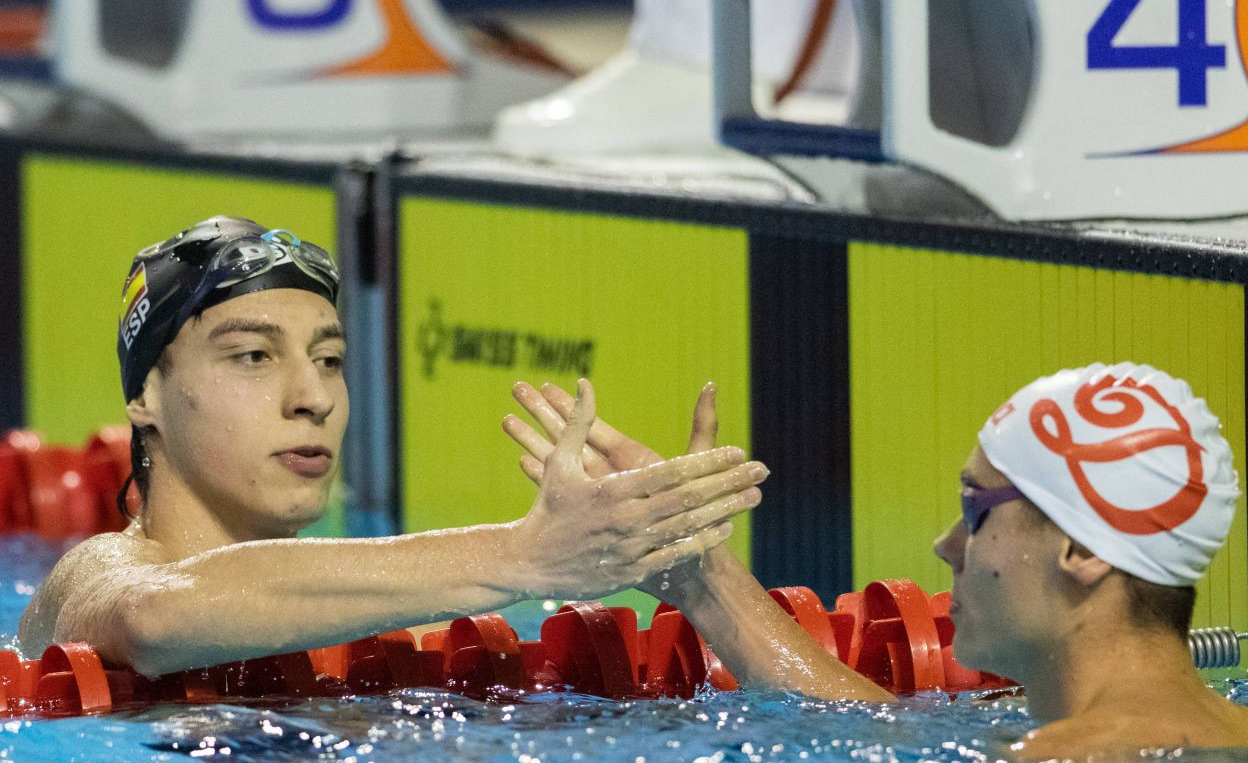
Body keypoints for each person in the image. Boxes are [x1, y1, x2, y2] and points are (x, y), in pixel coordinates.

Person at [17, 217, 767, 677]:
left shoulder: (377, 629)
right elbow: (154, 619)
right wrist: (525, 557)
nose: (311, 396)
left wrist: (704, 583)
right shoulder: (98, 577)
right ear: (145, 396)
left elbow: (881, 747)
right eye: (253, 356)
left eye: (330, 359)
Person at [503, 364, 1248, 757]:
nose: (946, 544)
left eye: (976, 509)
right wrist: (701, 577)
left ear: (1081, 550)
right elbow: (878, 729)